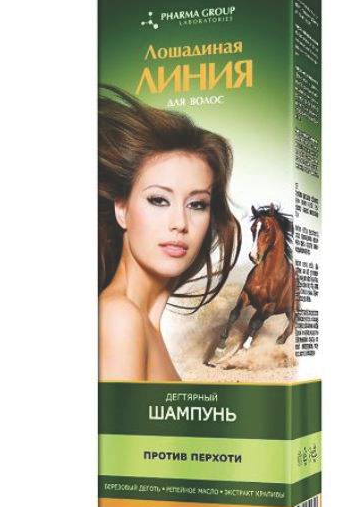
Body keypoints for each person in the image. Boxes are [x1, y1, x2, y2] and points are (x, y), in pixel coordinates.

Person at [98, 85, 241, 381]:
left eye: (197, 204)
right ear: (122, 209)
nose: (180, 223)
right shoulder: (120, 319)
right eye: (159, 200)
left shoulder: (142, 321)